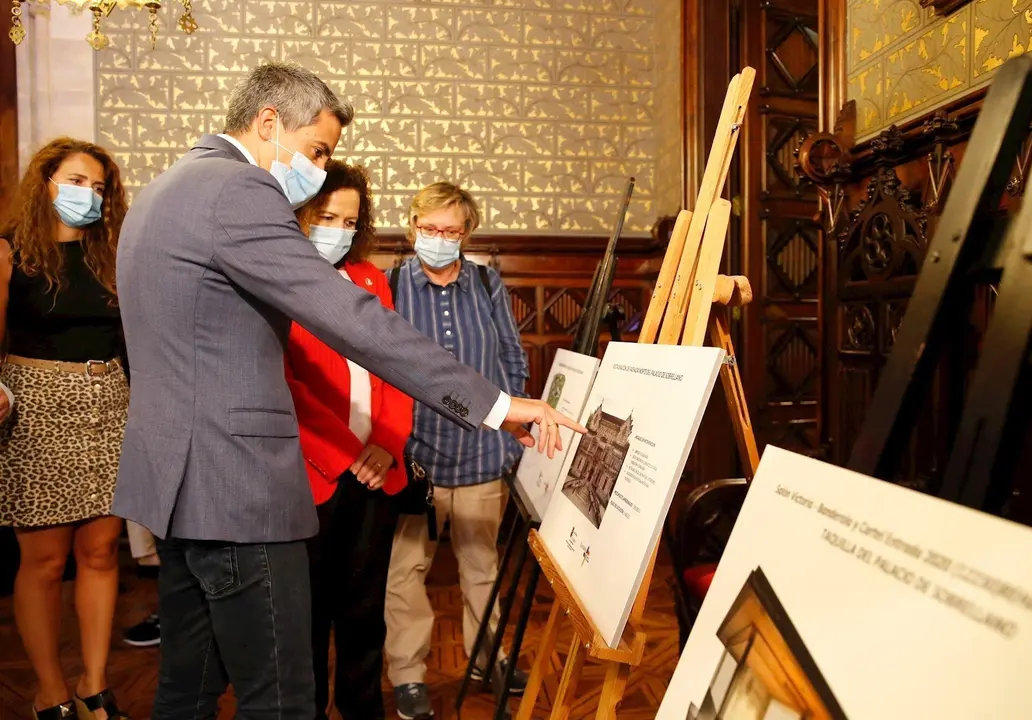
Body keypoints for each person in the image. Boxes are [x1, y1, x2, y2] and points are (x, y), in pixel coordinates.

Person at [112, 61, 582, 720]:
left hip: (173, 483)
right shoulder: (239, 191)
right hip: (239, 493)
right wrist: (498, 405)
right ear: (269, 122)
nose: (318, 168)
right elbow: (354, 320)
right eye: (318, 150)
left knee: (186, 690)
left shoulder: (163, 190)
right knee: (282, 697)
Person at [383, 183, 529, 719]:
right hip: (414, 456)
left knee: (482, 567)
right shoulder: (392, 284)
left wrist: (511, 423)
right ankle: (407, 674)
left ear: (466, 233)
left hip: (480, 454)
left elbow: (510, 353)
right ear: (412, 225)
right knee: (404, 573)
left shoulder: (486, 281)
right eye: (429, 229)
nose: (439, 239)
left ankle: (487, 660)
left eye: (451, 231)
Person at [0, 138, 131, 720]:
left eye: (99, 187)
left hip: (109, 401)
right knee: (46, 561)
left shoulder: (115, 255)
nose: (89, 195)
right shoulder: (11, 253)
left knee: (102, 551)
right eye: (77, 181)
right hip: (35, 406)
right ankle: (49, 691)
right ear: (45, 182)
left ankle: (93, 685)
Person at [285, 159, 412, 720]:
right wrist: (346, 454)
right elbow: (284, 383)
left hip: (377, 472)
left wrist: (386, 443)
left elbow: (397, 364)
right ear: (301, 213)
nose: (336, 228)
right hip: (312, 474)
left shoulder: (369, 279)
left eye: (348, 219)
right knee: (307, 614)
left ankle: (363, 709)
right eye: (325, 216)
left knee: (364, 612)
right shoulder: (277, 279)